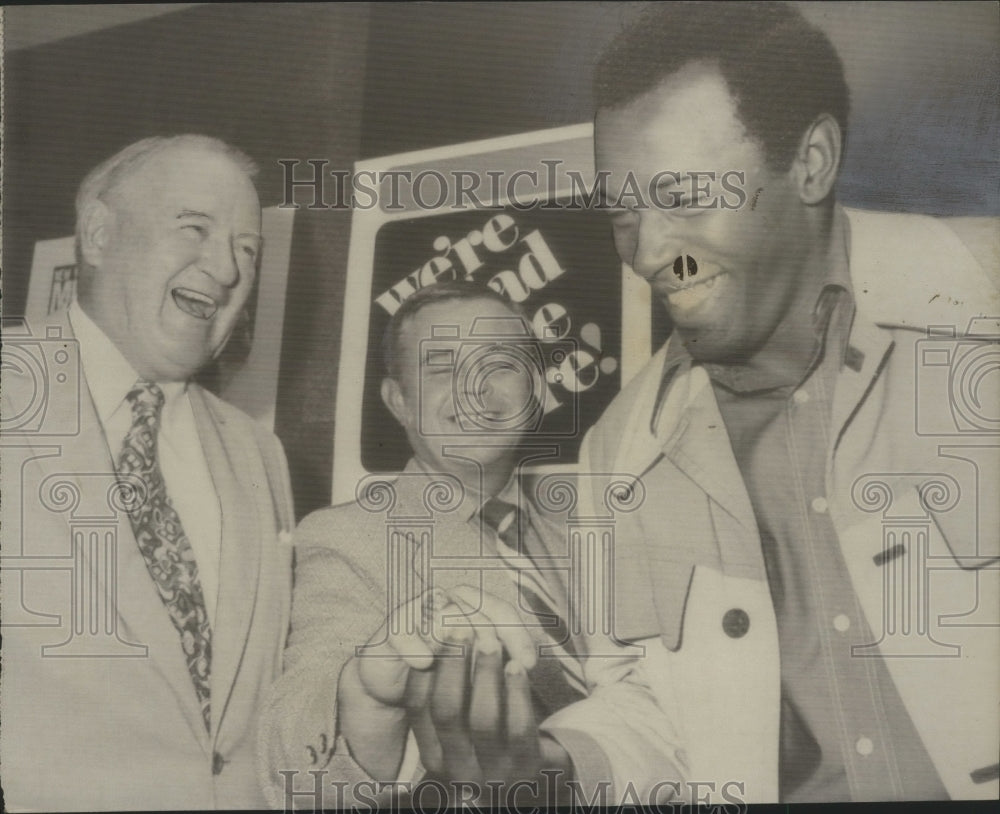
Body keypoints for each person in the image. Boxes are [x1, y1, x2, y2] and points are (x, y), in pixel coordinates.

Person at [538, 1, 999, 804]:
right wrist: (551, 766)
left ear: (812, 162)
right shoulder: (617, 452)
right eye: (623, 212)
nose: (647, 254)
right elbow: (648, 710)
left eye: (682, 197)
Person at [0, 135, 295, 811]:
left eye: (248, 251)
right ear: (100, 234)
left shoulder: (260, 454)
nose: (225, 269)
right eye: (195, 228)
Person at [257, 281, 585, 809]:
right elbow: (293, 758)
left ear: (536, 389)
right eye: (441, 367)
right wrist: (367, 697)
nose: (474, 388)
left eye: (498, 364)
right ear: (398, 401)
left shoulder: (586, 523)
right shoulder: (346, 539)